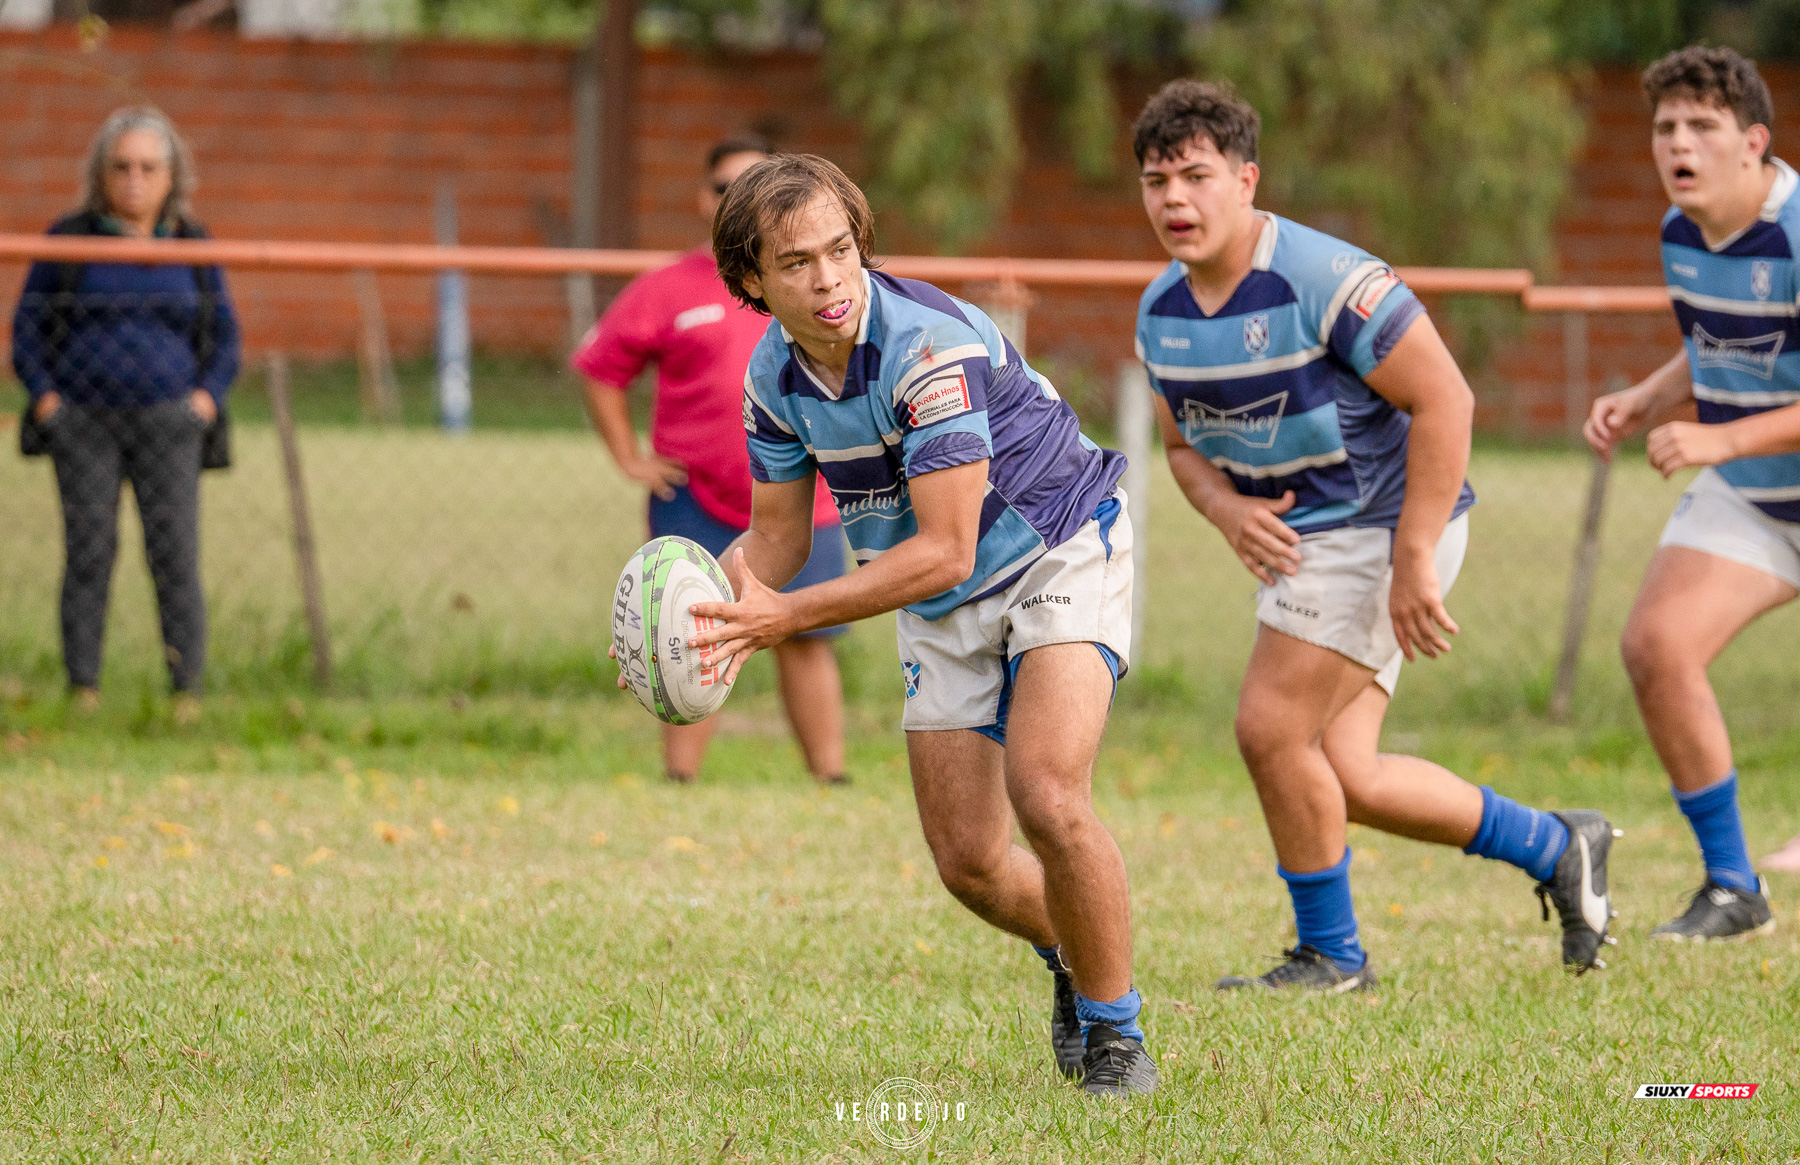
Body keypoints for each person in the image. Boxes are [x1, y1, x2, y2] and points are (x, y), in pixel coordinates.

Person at [1130, 80, 1620, 991]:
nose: (1175, 200)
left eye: (1196, 176)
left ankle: (1332, 955)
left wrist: (1413, 556)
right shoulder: (1162, 312)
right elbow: (1178, 449)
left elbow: (1447, 400)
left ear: (1247, 179)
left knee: (1270, 729)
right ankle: (1558, 844)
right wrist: (1229, 510)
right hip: (1315, 538)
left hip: (1380, 525)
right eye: (1157, 181)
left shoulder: (1327, 279)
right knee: (1345, 771)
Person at [683, 153, 1155, 1095]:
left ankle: (1116, 1034)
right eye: (797, 262)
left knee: (1048, 792)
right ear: (750, 281)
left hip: (1056, 548)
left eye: (841, 250)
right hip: (940, 595)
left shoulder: (926, 346)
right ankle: (1075, 948)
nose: (828, 280)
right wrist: (691, 622)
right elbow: (775, 541)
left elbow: (944, 545)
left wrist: (785, 617)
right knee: (970, 863)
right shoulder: (772, 379)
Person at [1583, 46, 1797, 938]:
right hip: (1758, 493)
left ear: (1753, 142)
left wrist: (1719, 435)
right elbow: (1717, 346)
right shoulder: (1682, 231)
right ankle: (1733, 887)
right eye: (1667, 126)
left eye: (1703, 126)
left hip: (1744, 456)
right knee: (1657, 644)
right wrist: (1648, 397)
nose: (1680, 143)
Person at [574, 135, 849, 786]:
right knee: (686, 631)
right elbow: (599, 366)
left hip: (807, 498)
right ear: (706, 199)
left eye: (760, 185)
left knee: (806, 637)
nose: (743, 200)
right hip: (696, 495)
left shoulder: (810, 283)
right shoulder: (666, 287)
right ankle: (680, 779)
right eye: (729, 188)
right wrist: (629, 457)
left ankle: (831, 777)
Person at [10, 106, 238, 722]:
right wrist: (47, 398)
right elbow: (27, 329)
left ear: (172, 175)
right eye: (121, 168)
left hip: (171, 424)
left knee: (175, 556)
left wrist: (205, 399)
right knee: (89, 553)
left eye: (148, 168)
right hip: (83, 424)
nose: (134, 180)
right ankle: (83, 689)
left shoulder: (192, 242)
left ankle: (184, 693)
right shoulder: (70, 240)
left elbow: (225, 337)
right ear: (101, 174)